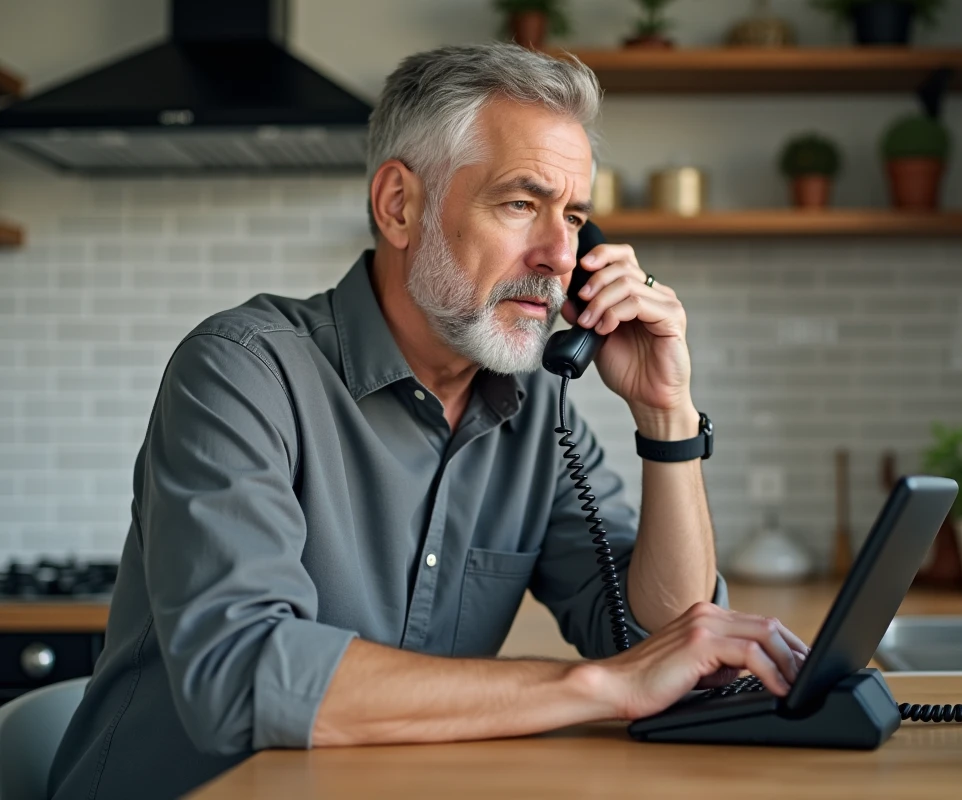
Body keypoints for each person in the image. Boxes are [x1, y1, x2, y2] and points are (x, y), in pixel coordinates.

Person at [48, 43, 809, 800]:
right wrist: (600, 685)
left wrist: (665, 413)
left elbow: (665, 645)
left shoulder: (536, 417)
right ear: (399, 206)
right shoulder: (241, 371)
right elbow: (242, 676)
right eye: (521, 204)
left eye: (575, 217)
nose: (558, 255)